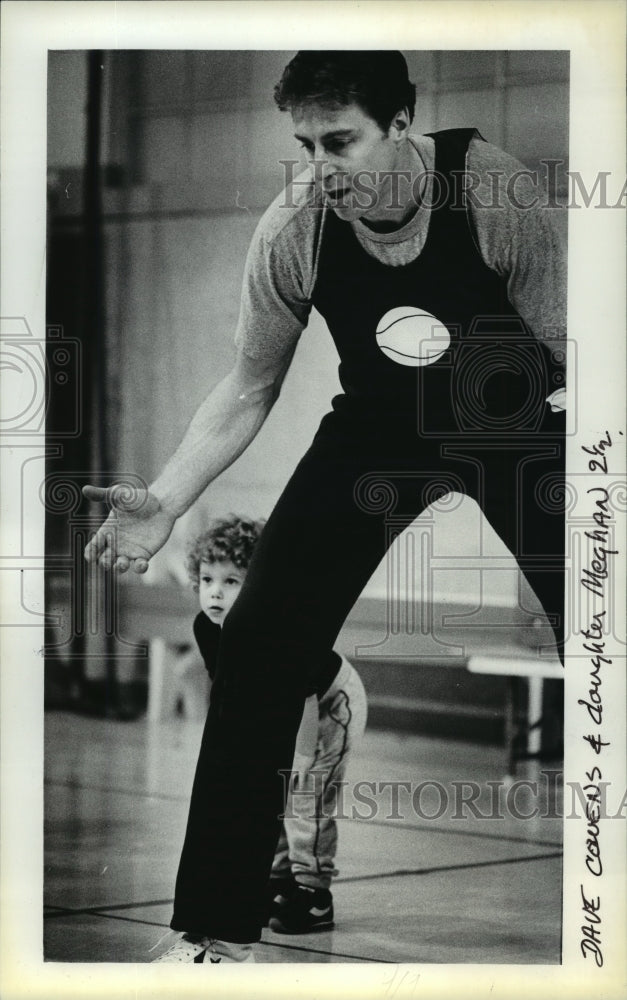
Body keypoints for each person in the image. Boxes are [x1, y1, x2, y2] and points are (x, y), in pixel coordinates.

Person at [83, 51, 567, 960]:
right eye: (303, 144)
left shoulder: (491, 191)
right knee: (258, 644)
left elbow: (571, 354)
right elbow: (246, 385)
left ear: (400, 124)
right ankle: (212, 939)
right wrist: (164, 495)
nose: (318, 167)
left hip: (516, 424)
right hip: (376, 436)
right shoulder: (296, 224)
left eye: (338, 141)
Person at [154, 514, 367, 960]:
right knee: (264, 792)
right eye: (207, 579)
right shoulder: (205, 627)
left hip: (330, 706)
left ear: (258, 586)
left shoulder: (276, 626)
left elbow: (306, 694)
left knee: (305, 796)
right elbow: (229, 689)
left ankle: (313, 892)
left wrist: (302, 758)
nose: (214, 591)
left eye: (231, 581)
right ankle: (278, 878)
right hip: (283, 708)